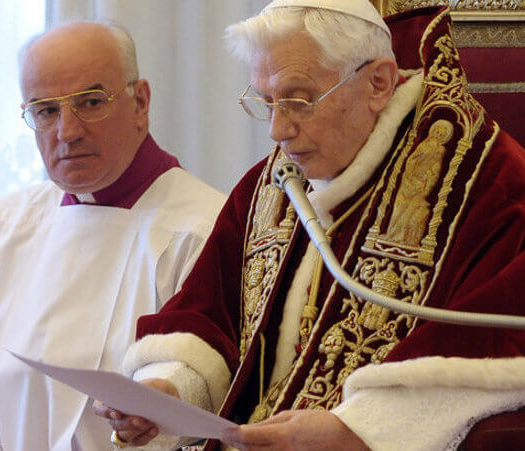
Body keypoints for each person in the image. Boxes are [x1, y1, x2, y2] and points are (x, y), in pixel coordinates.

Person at [96, 1, 525, 450]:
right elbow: (210, 317)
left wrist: (356, 433)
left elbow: (494, 348)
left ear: (378, 83)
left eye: (298, 100)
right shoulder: (269, 184)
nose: (277, 131)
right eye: (265, 102)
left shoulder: (486, 181)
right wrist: (168, 391)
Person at [0, 21, 225, 450]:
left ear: (141, 101)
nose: (67, 131)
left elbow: (219, 410)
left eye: (91, 102)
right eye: (45, 111)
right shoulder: (4, 229)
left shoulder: (206, 230)